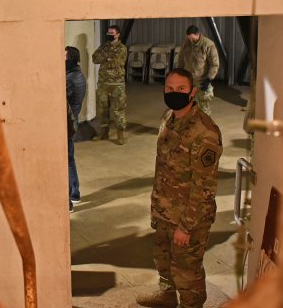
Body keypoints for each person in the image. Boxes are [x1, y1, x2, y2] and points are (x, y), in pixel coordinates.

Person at [136, 68, 223, 308]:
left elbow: (204, 188)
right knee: (163, 260)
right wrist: (157, 208)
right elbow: (163, 168)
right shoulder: (168, 118)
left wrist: (186, 227)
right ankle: (167, 296)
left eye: (181, 89)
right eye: (169, 88)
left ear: (192, 92)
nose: (174, 93)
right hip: (165, 210)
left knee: (187, 271)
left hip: (189, 217)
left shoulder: (205, 132)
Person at [91, 25, 128, 145]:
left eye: (112, 33)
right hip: (103, 83)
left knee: (118, 110)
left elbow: (118, 62)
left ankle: (120, 134)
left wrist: (105, 58)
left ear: (117, 34)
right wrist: (108, 58)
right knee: (102, 109)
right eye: (108, 33)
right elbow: (94, 58)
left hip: (117, 84)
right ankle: (103, 132)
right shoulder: (104, 46)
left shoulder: (122, 48)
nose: (109, 35)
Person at [175, 25, 220, 116]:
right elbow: (180, 60)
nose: (191, 41)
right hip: (188, 81)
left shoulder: (208, 45)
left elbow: (214, 64)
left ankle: (204, 124)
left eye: (193, 39)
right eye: (189, 38)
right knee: (185, 107)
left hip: (202, 81)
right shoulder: (186, 44)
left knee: (204, 110)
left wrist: (208, 79)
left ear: (198, 34)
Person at [65, 46, 86, 211]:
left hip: (67, 123)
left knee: (65, 162)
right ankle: (75, 193)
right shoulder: (78, 74)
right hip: (72, 121)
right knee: (69, 159)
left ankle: (68, 203)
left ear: (71, 58)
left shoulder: (71, 79)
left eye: (64, 57)